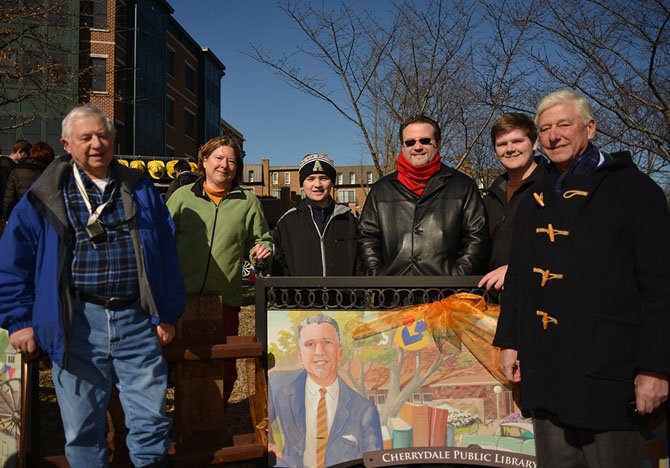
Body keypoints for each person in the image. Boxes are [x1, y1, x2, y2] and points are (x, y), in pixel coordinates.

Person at [493, 89, 670, 468]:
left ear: (589, 128)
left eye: (563, 125)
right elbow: (521, 278)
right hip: (545, 368)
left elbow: (661, 287)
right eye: (545, 129)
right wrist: (509, 341)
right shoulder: (535, 198)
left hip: (609, 370)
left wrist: (656, 367)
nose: (553, 135)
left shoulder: (635, 190)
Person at [0, 105, 185, 467]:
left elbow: (165, 254)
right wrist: (19, 320)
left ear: (114, 140)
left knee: (151, 425)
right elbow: (12, 262)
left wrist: (166, 312)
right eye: (86, 138)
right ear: (67, 144)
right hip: (76, 323)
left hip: (136, 319)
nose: (96, 144)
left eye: (103, 135)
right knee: (83, 430)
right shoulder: (44, 194)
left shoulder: (140, 188)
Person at [166, 135, 272, 402]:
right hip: (181, 299)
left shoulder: (247, 201)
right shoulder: (181, 197)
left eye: (232, 161)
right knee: (182, 364)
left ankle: (215, 420)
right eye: (218, 158)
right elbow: (161, 240)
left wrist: (262, 248)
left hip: (225, 300)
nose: (224, 165)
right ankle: (185, 423)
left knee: (225, 368)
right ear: (204, 160)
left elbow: (259, 239)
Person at [358, 115, 490, 276]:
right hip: (394, 293)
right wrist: (377, 275)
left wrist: (457, 277)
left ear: (439, 144)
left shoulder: (463, 186)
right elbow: (367, 237)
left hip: (446, 293)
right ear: (403, 147)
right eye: (410, 142)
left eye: (425, 141)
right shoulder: (381, 189)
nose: (417, 147)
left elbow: (476, 237)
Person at [268, 314, 383, 467]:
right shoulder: (277, 384)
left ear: (339, 353)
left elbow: (374, 463)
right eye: (310, 344)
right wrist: (267, 443)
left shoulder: (364, 411)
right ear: (301, 356)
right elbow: (257, 422)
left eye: (327, 342)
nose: (319, 351)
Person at [478, 113, 546, 291]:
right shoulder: (490, 198)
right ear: (495, 151)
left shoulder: (553, 188)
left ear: (534, 144)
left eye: (517, 141)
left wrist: (518, 269)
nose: (509, 149)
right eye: (502, 144)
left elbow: (567, 246)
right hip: (494, 298)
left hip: (539, 295)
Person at [271, 153, 358, 276]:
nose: (317, 185)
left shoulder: (349, 220)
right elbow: (279, 268)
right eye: (310, 178)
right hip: (302, 295)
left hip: (342, 295)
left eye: (323, 178)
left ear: (332, 182)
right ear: (302, 183)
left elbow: (360, 266)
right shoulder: (287, 222)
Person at [3, 141, 55, 218]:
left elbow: (9, 199)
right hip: (43, 218)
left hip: (20, 216)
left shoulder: (16, 171)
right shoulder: (52, 173)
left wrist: (8, 217)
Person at [0, 139, 31, 220]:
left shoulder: (4, 163)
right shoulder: (10, 166)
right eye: (27, 153)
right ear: (20, 151)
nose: (28, 157)